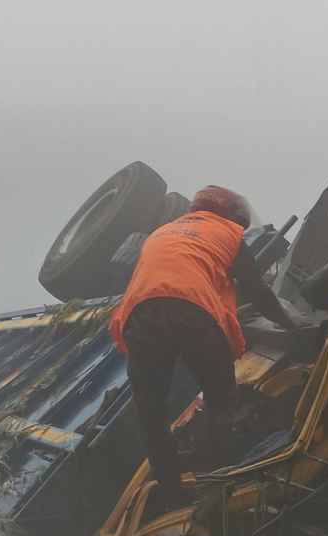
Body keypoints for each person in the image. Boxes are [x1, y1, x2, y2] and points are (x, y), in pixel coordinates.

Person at [109, 185, 300, 505]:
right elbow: (258, 292)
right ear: (232, 215)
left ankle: (171, 491)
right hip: (193, 311)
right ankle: (216, 487)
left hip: (139, 315)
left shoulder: (163, 232)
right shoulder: (228, 233)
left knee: (151, 413)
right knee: (221, 403)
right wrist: (290, 324)